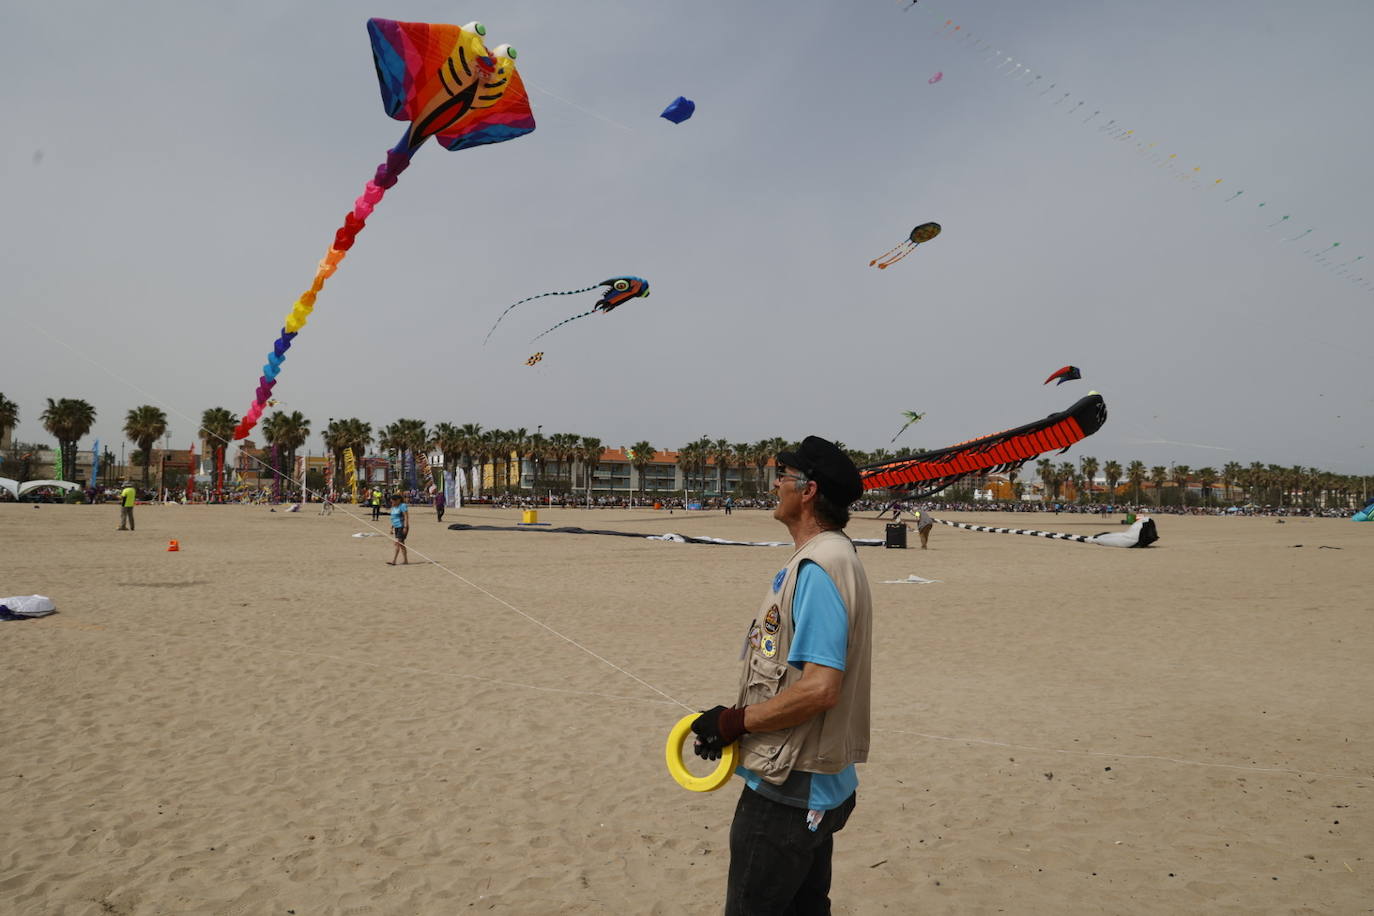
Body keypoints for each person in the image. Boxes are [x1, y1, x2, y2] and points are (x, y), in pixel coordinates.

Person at [690, 435, 872, 915]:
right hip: (811, 783)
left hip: (789, 793)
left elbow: (820, 688)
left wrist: (735, 722)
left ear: (807, 490)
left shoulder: (821, 565)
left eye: (783, 476)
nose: (775, 485)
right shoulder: (827, 557)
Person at [387, 492, 410, 565]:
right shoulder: (393, 507)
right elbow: (393, 518)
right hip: (396, 527)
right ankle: (405, 560)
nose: (392, 502)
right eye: (391, 501)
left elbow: (406, 516)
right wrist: (391, 528)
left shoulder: (402, 506)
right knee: (402, 544)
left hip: (402, 527)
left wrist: (406, 527)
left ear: (398, 500)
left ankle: (394, 560)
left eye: (393, 501)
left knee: (398, 543)